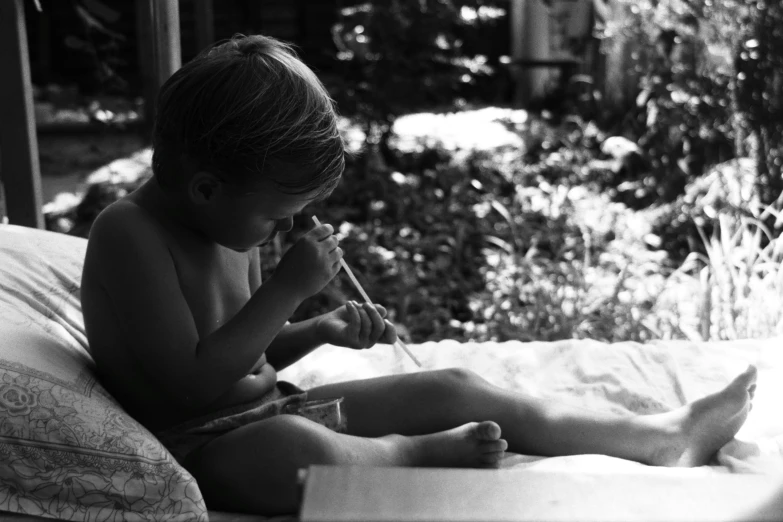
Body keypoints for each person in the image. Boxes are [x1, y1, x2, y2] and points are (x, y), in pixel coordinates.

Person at [80, 34, 757, 516]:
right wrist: (288, 287)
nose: (283, 230)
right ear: (205, 188)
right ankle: (411, 456)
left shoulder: (225, 218)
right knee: (286, 454)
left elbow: (243, 353)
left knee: (455, 385)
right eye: (277, 216)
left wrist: (316, 328)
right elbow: (191, 383)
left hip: (267, 403)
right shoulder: (129, 235)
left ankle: (658, 437)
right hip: (204, 444)